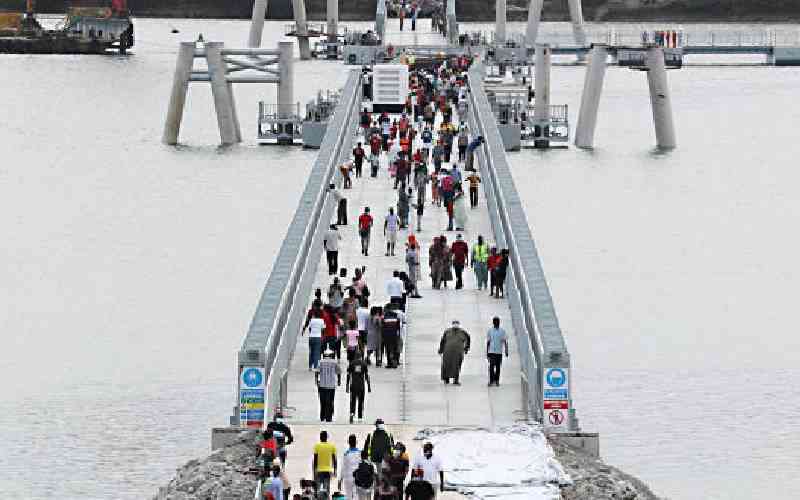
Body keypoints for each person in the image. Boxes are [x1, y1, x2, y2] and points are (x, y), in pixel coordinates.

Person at [438, 319, 470, 385]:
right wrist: (441, 350)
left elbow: (468, 339)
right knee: (446, 365)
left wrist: (466, 348)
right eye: (454, 323)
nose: (455, 325)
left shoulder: (463, 332)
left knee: (457, 366)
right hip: (447, 352)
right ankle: (446, 379)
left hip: (458, 353)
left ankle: (456, 380)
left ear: (459, 325)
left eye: (457, 323)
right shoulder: (447, 331)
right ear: (452, 324)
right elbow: (443, 341)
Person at [316, 349, 341, 422]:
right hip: (331, 386)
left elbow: (317, 372)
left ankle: (322, 416)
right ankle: (328, 417)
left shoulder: (320, 362)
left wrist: (316, 381)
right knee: (330, 401)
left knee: (322, 401)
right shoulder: (334, 362)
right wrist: (339, 381)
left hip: (322, 385)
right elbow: (339, 372)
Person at [346, 349, 371, 422]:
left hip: (353, 385)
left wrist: (347, 386)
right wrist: (369, 386)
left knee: (353, 401)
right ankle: (360, 416)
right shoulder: (364, 364)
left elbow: (348, 375)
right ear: (361, 356)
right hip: (361, 386)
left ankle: (352, 413)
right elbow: (366, 376)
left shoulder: (352, 363)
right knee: (361, 401)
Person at [486, 316, 509, 386]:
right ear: (493, 323)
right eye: (495, 322)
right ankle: (491, 380)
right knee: (491, 366)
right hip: (491, 351)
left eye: (497, 322)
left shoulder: (502, 331)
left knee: (498, 367)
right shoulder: (490, 331)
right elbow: (488, 342)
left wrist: (506, 351)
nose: (496, 323)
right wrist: (487, 352)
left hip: (499, 352)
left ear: (499, 322)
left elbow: (505, 341)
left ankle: (497, 380)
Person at [313, 431, 338, 495]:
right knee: (327, 489)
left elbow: (315, 460)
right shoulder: (332, 446)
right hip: (328, 471)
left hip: (319, 471)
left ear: (320, 437)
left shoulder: (317, 446)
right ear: (327, 437)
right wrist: (335, 470)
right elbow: (334, 460)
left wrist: (314, 471)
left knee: (317, 489)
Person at [339, 434, 362, 499]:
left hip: (348, 478)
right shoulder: (360, 453)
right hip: (358, 477)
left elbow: (343, 467)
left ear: (348, 442)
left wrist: (340, 479)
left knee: (348, 496)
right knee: (356, 496)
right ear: (356, 442)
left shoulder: (346, 454)